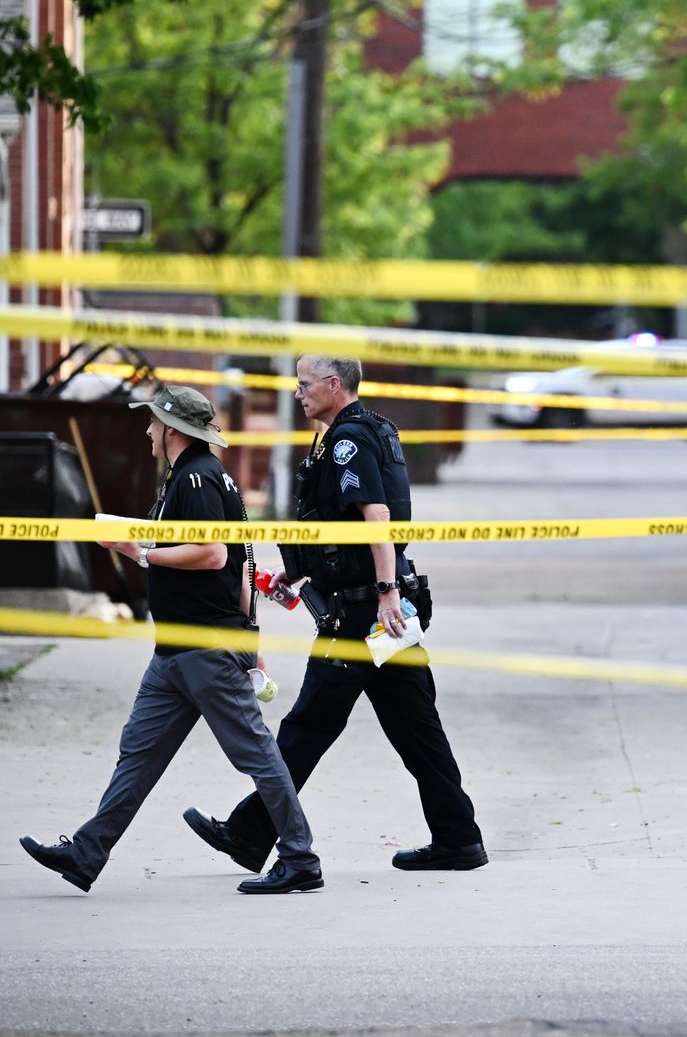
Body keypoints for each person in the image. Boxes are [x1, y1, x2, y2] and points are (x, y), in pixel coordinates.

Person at [182, 355, 487, 874]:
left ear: (332, 384)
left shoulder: (350, 440)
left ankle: (250, 832)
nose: (297, 393)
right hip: (373, 613)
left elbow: (376, 517)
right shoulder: (360, 432)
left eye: (304, 384)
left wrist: (386, 591)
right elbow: (336, 529)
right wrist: (298, 574)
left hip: (365, 616)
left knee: (306, 728)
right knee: (417, 731)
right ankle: (459, 839)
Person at [19, 386, 322, 894]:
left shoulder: (199, 479)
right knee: (137, 753)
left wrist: (140, 554)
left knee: (257, 755)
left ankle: (300, 859)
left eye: (153, 422)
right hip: (179, 652)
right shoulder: (194, 477)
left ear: (173, 429)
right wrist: (253, 639)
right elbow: (242, 565)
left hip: (205, 649)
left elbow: (213, 556)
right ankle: (86, 853)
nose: (147, 431)